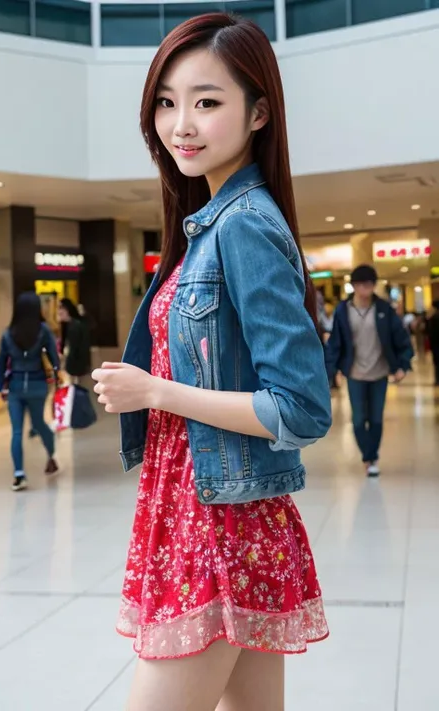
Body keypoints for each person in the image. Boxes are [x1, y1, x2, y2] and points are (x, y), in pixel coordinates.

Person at [92, 14, 332, 711]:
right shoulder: (209, 224)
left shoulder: (245, 224)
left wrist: (154, 391)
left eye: (206, 100)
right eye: (167, 102)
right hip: (208, 510)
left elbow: (300, 406)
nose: (181, 124)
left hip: (219, 524)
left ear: (259, 112)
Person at [325, 264, 414, 477]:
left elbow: (401, 339)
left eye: (369, 284)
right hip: (354, 372)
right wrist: (333, 371)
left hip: (380, 372)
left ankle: (371, 458)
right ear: (353, 286)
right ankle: (368, 455)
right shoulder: (343, 310)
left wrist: (402, 365)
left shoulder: (384, 309)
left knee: (375, 418)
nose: (365, 289)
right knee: (358, 420)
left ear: (374, 286)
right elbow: (335, 343)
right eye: (360, 284)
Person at [0, 292, 60, 491]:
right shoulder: (43, 331)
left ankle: (19, 474)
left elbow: (1, 362)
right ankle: (51, 456)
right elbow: (54, 359)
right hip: (37, 385)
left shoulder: (8, 333)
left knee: (16, 431)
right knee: (39, 424)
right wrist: (56, 376)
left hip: (15, 386)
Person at [58, 298, 91, 380]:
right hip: (74, 368)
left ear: (67, 310)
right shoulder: (70, 325)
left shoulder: (75, 326)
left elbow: (74, 349)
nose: (59, 312)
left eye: (61, 308)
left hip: (75, 369)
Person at [426, 300, 439, 385]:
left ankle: (437, 379)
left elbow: (430, 332)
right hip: (436, 344)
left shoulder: (433, 317)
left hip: (436, 344)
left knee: (437, 362)